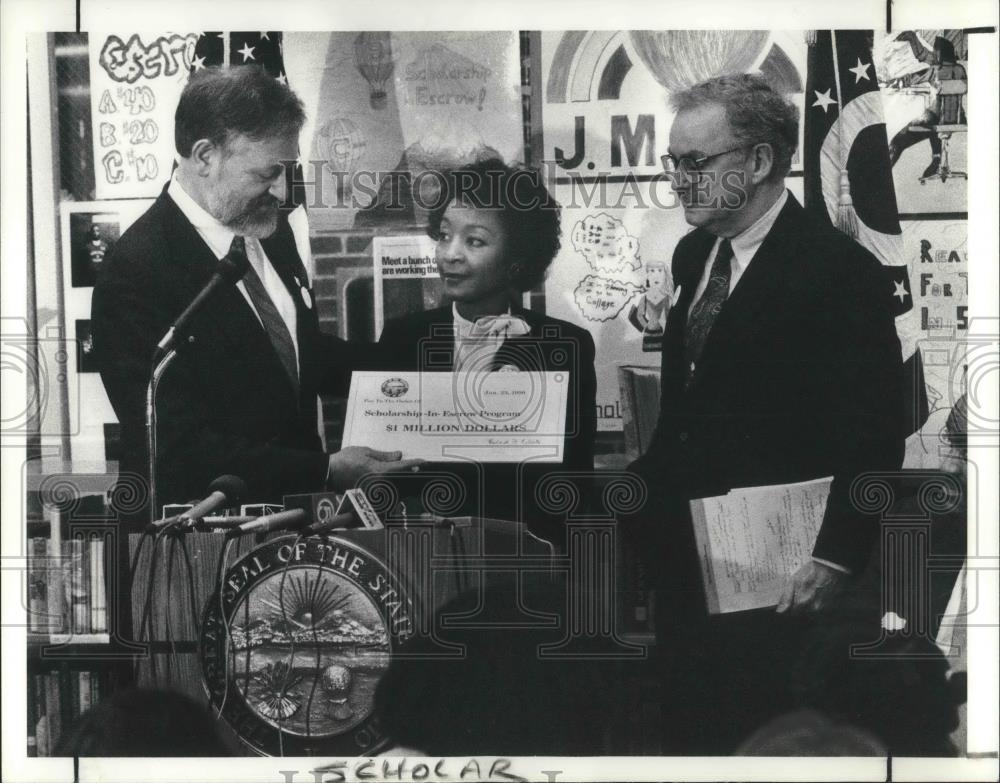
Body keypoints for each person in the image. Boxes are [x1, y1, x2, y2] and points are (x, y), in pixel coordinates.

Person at [624, 74, 906, 752]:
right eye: (673, 162)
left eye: (695, 163)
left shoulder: (841, 274)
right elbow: (686, 413)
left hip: (785, 589)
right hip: (687, 568)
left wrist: (836, 557)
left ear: (756, 162)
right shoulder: (695, 253)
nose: (679, 181)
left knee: (764, 742)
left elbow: (874, 436)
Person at [92, 66, 419, 525]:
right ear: (205, 156)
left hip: (296, 527)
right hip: (201, 544)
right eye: (267, 173)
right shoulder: (138, 269)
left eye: (287, 171)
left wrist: (435, 366)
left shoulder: (266, 227)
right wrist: (325, 468)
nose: (283, 191)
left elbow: (296, 356)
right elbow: (175, 442)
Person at [376, 159, 597, 543]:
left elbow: (570, 485)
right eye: (444, 236)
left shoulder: (564, 346)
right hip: (420, 555)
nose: (450, 254)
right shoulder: (403, 337)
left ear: (517, 259)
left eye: (474, 241)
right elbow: (385, 471)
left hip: (523, 557)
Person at [888, 35, 967, 179]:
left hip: (935, 119)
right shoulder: (960, 69)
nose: (934, 54)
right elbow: (925, 57)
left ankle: (882, 175)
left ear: (940, 54)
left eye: (935, 51)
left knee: (898, 140)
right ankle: (936, 159)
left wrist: (895, 82)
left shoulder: (936, 70)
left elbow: (914, 77)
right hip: (958, 118)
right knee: (931, 116)